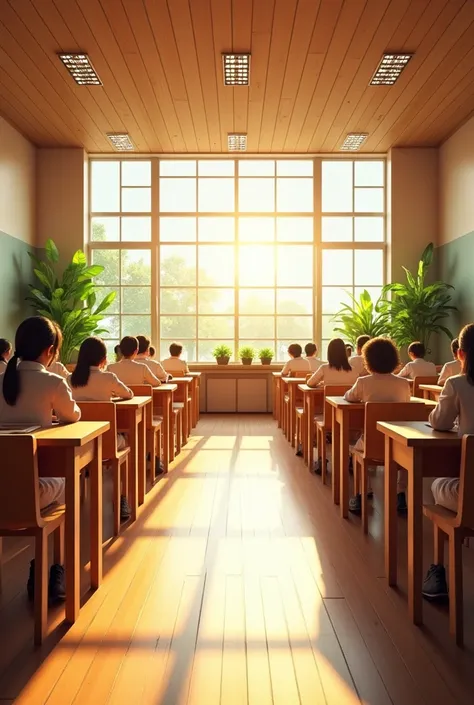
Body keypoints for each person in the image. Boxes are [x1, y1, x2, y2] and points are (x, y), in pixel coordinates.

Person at [0, 316, 81, 602]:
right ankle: (50, 569)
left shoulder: (1, 380)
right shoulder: (52, 381)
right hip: (30, 493)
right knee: (66, 482)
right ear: (50, 351)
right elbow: (73, 416)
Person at [422, 323, 474, 600]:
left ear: (461, 354)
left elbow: (439, 422)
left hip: (470, 495)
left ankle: (438, 572)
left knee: (437, 484)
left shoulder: (457, 384)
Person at [344, 337, 411, 514]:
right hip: (398, 441)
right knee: (404, 457)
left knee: (355, 452)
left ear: (368, 361)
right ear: (394, 360)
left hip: (372, 442)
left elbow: (349, 397)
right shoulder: (404, 384)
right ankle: (401, 493)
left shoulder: (364, 382)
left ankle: (361, 493)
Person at [70, 337, 133, 521]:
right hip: (106, 443)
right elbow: (128, 394)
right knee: (125, 439)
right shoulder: (108, 377)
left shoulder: (69, 379)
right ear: (103, 358)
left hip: (79, 446)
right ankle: (122, 498)